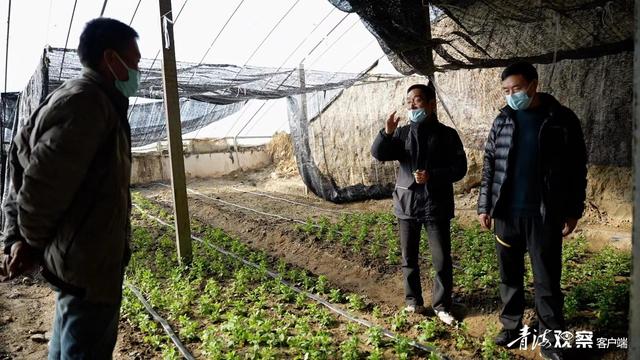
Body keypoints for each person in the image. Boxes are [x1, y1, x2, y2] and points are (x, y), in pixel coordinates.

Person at [1, 18, 140, 359]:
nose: (137, 72)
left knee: (68, 344)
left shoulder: (73, 96)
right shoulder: (88, 104)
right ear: (111, 59)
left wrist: (16, 236)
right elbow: (41, 185)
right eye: (134, 62)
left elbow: (18, 159)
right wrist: (27, 243)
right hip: (87, 266)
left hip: (76, 263)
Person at [477, 62, 587, 360]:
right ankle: (511, 327)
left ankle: (552, 339)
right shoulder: (503, 119)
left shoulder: (561, 119)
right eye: (506, 91)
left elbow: (577, 168)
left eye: (516, 89)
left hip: (544, 214)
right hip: (506, 213)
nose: (511, 95)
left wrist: (573, 209)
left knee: (546, 280)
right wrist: (484, 204)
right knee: (509, 276)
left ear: (533, 84)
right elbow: (490, 165)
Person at [371, 83, 467, 325]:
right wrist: (387, 133)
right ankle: (413, 301)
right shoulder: (402, 134)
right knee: (409, 257)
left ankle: (442, 305)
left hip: (436, 205)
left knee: (442, 259)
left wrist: (432, 175)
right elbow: (379, 154)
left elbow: (459, 169)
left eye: (417, 100)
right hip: (407, 204)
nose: (412, 105)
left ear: (431, 104)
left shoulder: (447, 134)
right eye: (409, 101)